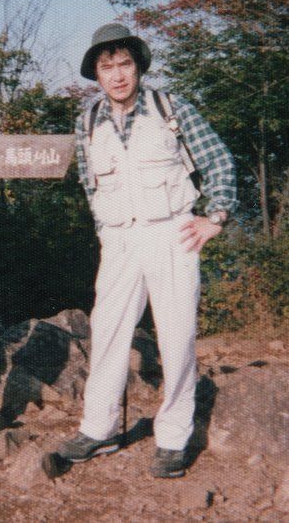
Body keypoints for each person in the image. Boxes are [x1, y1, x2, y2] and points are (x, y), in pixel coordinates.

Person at [55, 24, 237, 478]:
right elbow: (90, 183)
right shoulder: (87, 120)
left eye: (125, 64)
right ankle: (99, 429)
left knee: (176, 337)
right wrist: (105, 230)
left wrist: (215, 218)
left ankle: (173, 438)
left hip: (173, 233)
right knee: (107, 333)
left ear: (138, 67)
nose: (117, 75)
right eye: (107, 67)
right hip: (119, 241)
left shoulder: (170, 108)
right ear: (96, 74)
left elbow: (218, 160)